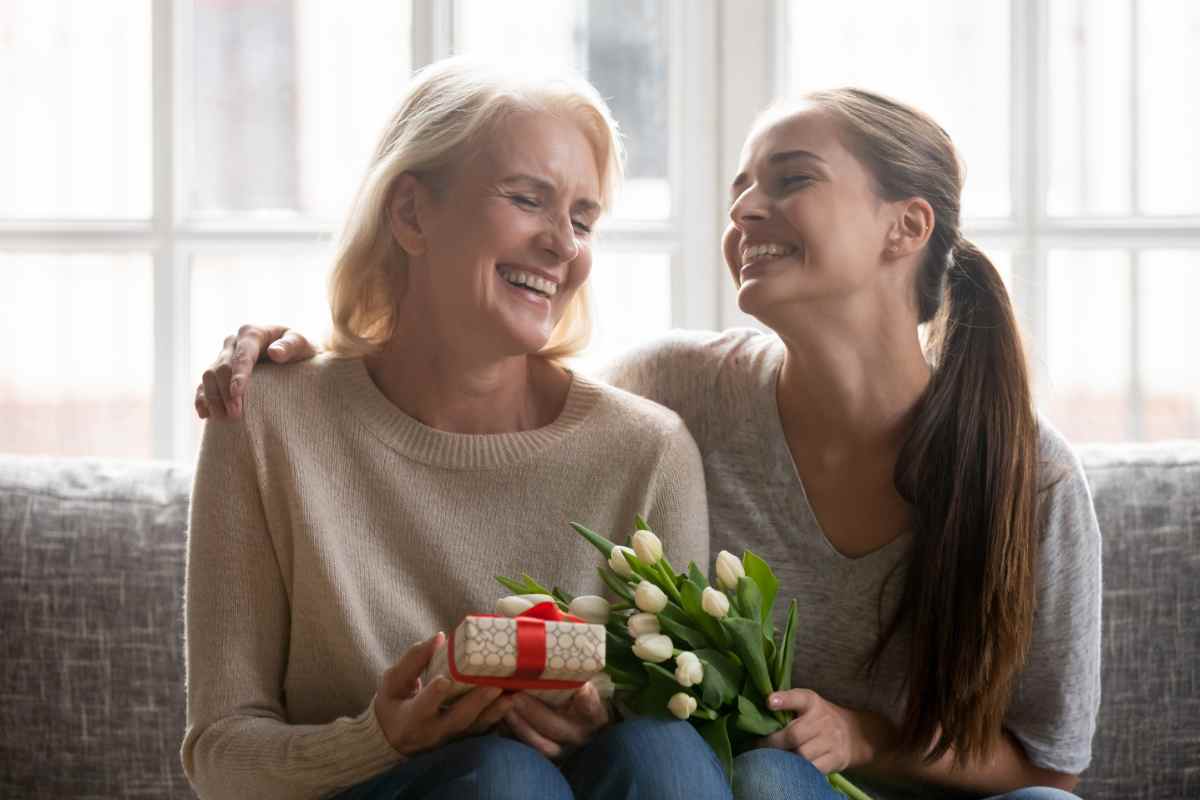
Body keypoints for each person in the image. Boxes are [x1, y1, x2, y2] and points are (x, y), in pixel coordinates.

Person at [195, 87, 1101, 800]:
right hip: (719, 781)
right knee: (728, 771)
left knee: (699, 760)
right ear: (410, 213)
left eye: (789, 179)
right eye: (741, 185)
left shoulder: (1030, 475)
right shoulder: (677, 396)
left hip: (914, 786)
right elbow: (473, 374)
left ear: (905, 228)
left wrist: (870, 736)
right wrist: (307, 359)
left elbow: (1052, 762)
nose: (745, 208)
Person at [181, 57, 719, 800]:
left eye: (582, 219)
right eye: (528, 199)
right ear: (410, 214)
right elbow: (219, 757)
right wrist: (381, 739)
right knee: (503, 777)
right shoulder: (268, 418)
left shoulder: (647, 452)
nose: (563, 245)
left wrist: (599, 718)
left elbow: (674, 726)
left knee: (665, 750)